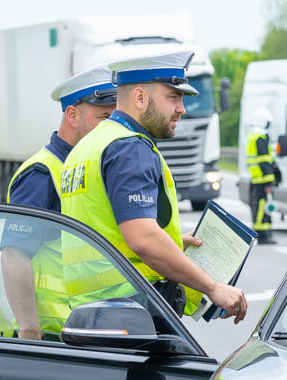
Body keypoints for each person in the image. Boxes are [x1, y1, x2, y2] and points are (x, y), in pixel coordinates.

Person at [59, 49, 247, 324]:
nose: (181, 109)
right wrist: (213, 287)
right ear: (139, 97)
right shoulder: (130, 147)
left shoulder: (87, 146)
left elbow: (107, 228)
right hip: (132, 312)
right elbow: (143, 238)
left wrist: (171, 242)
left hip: (92, 313)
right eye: (173, 97)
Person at [0, 65, 117, 340]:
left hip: (89, 326)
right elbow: (13, 255)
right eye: (103, 117)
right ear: (72, 115)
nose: (110, 128)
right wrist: (29, 330)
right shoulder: (42, 173)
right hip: (56, 336)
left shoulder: (86, 167)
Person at [246, 109, 278, 244]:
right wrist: (269, 182)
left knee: (262, 206)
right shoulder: (260, 138)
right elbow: (264, 161)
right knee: (261, 207)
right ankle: (262, 236)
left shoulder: (254, 136)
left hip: (258, 179)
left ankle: (266, 234)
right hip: (263, 180)